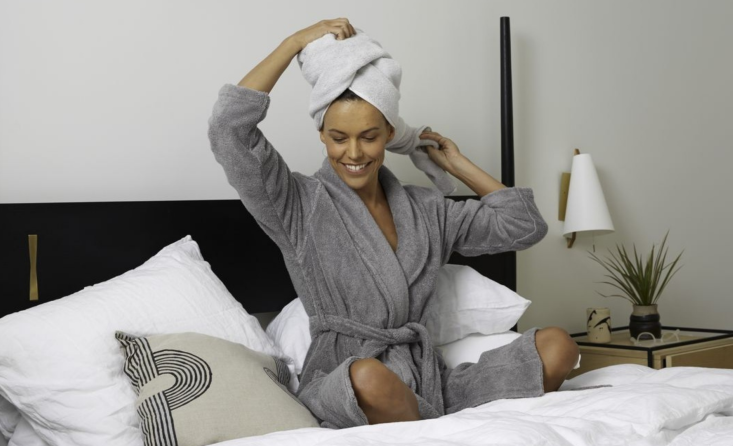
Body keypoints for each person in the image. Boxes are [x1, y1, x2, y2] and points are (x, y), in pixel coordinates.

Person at [209, 18, 579, 429]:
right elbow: (229, 129)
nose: (353, 152)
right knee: (368, 376)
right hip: (345, 378)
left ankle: (428, 420)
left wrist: (457, 164)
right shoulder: (298, 204)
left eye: (368, 136)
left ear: (388, 132)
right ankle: (435, 429)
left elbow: (523, 225)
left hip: (429, 381)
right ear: (322, 134)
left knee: (557, 345)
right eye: (338, 137)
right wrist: (293, 42)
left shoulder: (426, 209)